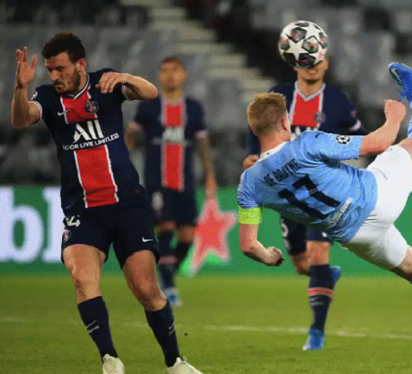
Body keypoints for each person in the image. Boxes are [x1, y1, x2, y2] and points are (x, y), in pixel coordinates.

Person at [237, 62, 412, 364]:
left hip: (355, 237)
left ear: (253, 129)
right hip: (377, 196)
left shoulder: (249, 184)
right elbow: (379, 143)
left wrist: (268, 256)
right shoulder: (308, 142)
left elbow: (248, 244)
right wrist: (394, 118)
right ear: (286, 123)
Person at [10, 32, 202, 374]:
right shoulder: (46, 98)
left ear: (81, 64)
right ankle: (110, 359)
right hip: (83, 211)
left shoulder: (105, 84)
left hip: (127, 204)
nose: (54, 76)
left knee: (145, 288)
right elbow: (22, 119)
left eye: (60, 68)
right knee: (83, 279)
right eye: (50, 69)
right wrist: (20, 88)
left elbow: (151, 92)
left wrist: (127, 77)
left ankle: (175, 362)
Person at [243, 58, 366, 350]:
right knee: (302, 264)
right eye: (305, 59)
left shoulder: (336, 100)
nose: (312, 64)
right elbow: (257, 127)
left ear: (325, 63)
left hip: (325, 192)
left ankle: (316, 332)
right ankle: (324, 275)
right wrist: (252, 157)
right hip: (288, 195)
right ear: (293, 61)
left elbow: (359, 137)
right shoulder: (279, 95)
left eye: (317, 58)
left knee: (318, 252)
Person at [126, 56, 216, 307]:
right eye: (164, 71)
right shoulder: (149, 107)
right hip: (157, 181)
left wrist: (210, 175)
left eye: (174, 70)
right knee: (165, 227)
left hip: (185, 182)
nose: (169, 75)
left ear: (184, 75)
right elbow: (131, 137)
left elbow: (202, 143)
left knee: (187, 236)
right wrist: (121, 166)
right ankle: (170, 287)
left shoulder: (194, 108)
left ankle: (165, 277)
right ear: (158, 76)